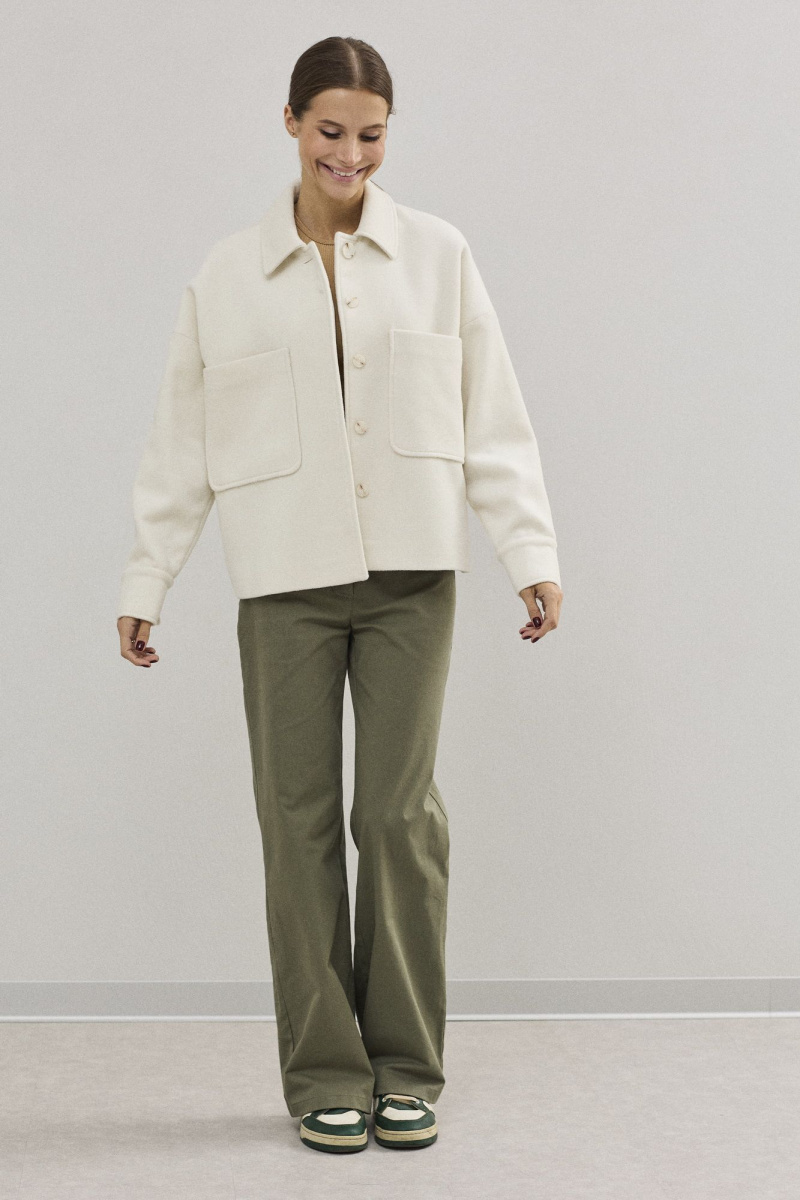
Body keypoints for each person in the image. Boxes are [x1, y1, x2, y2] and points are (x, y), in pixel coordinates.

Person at [116, 36, 563, 1154]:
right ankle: (324, 1069)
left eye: (369, 134)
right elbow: (181, 440)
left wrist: (529, 551)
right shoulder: (228, 275)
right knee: (297, 822)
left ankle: (406, 1064)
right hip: (284, 586)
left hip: (414, 578)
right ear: (290, 125)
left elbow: (492, 416)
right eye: (329, 131)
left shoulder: (439, 256)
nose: (349, 154)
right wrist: (148, 577)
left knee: (396, 818)